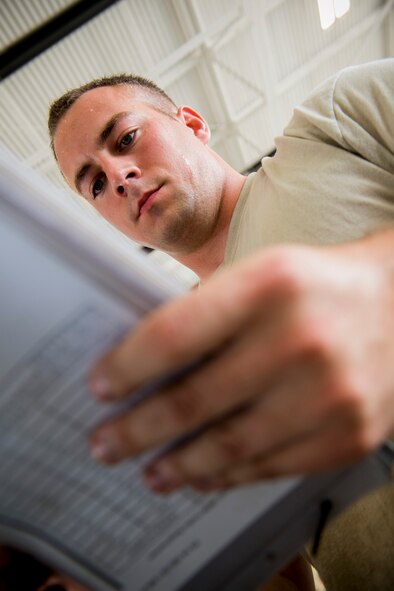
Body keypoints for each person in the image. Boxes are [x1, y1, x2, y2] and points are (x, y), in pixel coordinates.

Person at [46, 58, 394, 590]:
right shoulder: (177, 374)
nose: (117, 177)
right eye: (93, 184)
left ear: (192, 123)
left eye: (126, 138)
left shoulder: (334, 124)